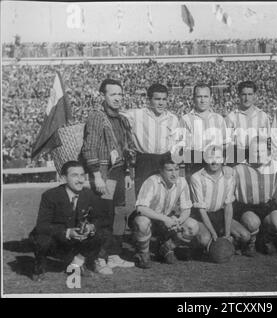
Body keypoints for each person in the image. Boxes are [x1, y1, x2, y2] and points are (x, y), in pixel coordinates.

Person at [28, 161, 117, 281]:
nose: (80, 180)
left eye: (82, 175)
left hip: (77, 241)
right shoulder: (50, 196)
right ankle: (39, 268)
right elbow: (42, 225)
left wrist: (90, 227)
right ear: (63, 178)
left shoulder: (88, 194)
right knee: (41, 238)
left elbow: (101, 218)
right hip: (57, 241)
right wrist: (68, 232)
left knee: (104, 232)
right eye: (75, 175)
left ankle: (77, 263)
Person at [81, 78, 136, 269]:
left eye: (120, 94)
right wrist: (96, 175)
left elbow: (126, 148)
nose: (118, 98)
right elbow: (89, 148)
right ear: (102, 96)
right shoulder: (97, 117)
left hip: (120, 172)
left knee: (120, 213)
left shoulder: (122, 119)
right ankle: (99, 258)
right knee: (103, 217)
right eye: (113, 94)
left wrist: (128, 172)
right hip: (105, 173)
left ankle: (114, 254)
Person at [129, 158, 200, 267]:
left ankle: (166, 247)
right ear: (161, 171)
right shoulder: (152, 181)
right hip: (150, 217)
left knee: (193, 226)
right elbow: (141, 208)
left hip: (167, 218)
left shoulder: (182, 181)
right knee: (142, 223)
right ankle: (143, 254)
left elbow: (186, 209)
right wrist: (164, 219)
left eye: (176, 169)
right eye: (169, 170)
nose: (174, 174)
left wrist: (179, 220)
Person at [233, 139, 277, 256]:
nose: (259, 154)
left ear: (268, 153)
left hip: (267, 205)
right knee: (252, 223)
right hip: (246, 207)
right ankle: (251, 244)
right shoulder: (238, 169)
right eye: (255, 151)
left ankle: (266, 240)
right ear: (249, 153)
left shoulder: (275, 166)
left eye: (262, 151)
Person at [190, 147, 252, 255]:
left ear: (223, 159)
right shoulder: (196, 177)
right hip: (202, 216)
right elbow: (201, 210)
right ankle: (199, 247)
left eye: (218, 157)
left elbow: (228, 206)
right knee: (205, 239)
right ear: (205, 159)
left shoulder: (229, 176)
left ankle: (230, 242)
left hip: (219, 214)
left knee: (245, 236)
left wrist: (227, 234)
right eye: (210, 157)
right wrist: (213, 234)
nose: (214, 161)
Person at [122, 84, 178, 197]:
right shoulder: (136, 115)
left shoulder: (173, 119)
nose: (161, 103)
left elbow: (175, 143)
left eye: (164, 99)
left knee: (164, 196)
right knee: (143, 196)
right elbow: (116, 114)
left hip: (165, 159)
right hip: (145, 160)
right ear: (149, 100)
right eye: (157, 99)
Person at [175, 83, 231, 178]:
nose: (202, 100)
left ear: (211, 98)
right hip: (194, 164)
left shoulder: (219, 119)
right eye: (199, 96)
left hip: (214, 163)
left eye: (205, 96)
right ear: (193, 98)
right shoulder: (185, 119)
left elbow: (226, 143)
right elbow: (179, 146)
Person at [225, 81, 275, 165]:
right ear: (239, 95)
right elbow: (226, 143)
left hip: (258, 159)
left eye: (250, 94)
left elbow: (268, 141)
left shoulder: (263, 116)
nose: (246, 98)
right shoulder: (231, 117)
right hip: (238, 160)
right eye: (244, 94)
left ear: (255, 95)